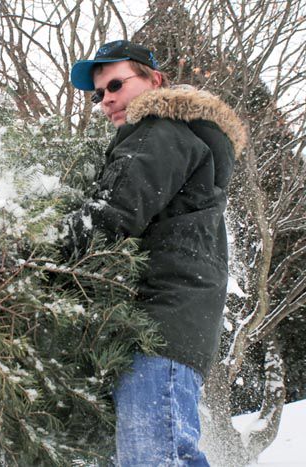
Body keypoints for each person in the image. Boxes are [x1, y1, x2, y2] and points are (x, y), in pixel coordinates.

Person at [67, 40, 247, 465]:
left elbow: (110, 216)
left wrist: (30, 256)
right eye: (98, 94)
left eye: (115, 84)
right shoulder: (180, 138)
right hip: (170, 326)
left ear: (155, 80)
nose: (106, 99)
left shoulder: (161, 131)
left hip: (158, 322)